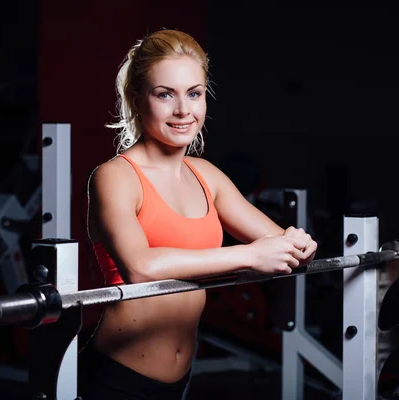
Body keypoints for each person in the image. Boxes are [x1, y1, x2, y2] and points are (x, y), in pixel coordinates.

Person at [80, 28, 318, 400]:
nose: (183, 111)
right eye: (165, 95)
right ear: (136, 99)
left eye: (194, 94)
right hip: (114, 378)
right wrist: (251, 255)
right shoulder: (115, 177)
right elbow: (140, 268)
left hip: (179, 381)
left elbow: (284, 247)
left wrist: (300, 245)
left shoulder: (207, 176)